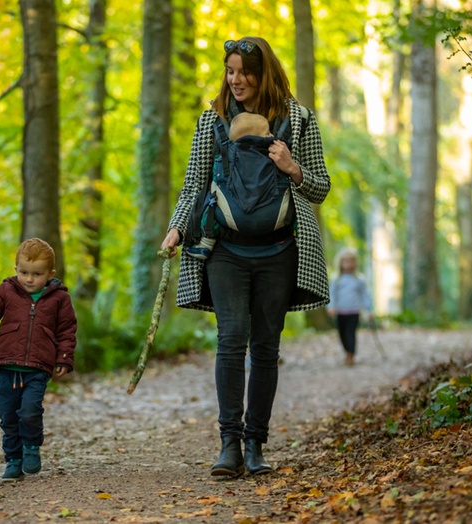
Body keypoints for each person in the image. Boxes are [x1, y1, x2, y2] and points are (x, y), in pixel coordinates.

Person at [161, 36, 331, 476]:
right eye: (230, 71)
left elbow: (321, 188)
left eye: (244, 71)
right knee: (231, 342)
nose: (235, 80)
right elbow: (195, 180)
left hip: (279, 251)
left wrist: (293, 167)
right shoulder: (211, 120)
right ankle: (229, 444)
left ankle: (256, 443)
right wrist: (178, 227)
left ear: (263, 72)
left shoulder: (299, 119)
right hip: (225, 252)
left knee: (266, 348)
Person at [0, 238, 76, 482]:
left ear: (50, 274)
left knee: (29, 411)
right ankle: (13, 461)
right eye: (24, 272)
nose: (29, 279)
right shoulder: (6, 290)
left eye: (37, 274)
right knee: (8, 417)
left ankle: (31, 447)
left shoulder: (59, 298)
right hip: (8, 366)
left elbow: (67, 329)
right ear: (15, 269)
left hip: (38, 368)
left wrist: (63, 357)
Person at [185, 112, 274, 260]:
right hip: (269, 223)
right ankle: (297, 234)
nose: (271, 135)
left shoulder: (226, 157)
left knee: (212, 201)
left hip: (227, 216)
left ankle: (207, 242)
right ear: (254, 139)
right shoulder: (271, 155)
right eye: (267, 133)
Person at [326, 248, 372, 366]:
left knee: (351, 333)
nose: (348, 264)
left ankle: (350, 355)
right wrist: (331, 306)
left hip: (354, 311)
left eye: (351, 261)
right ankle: (347, 351)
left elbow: (365, 295)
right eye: (345, 261)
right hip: (340, 311)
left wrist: (369, 309)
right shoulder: (336, 279)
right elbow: (331, 294)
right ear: (340, 263)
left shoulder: (359, 279)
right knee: (342, 334)